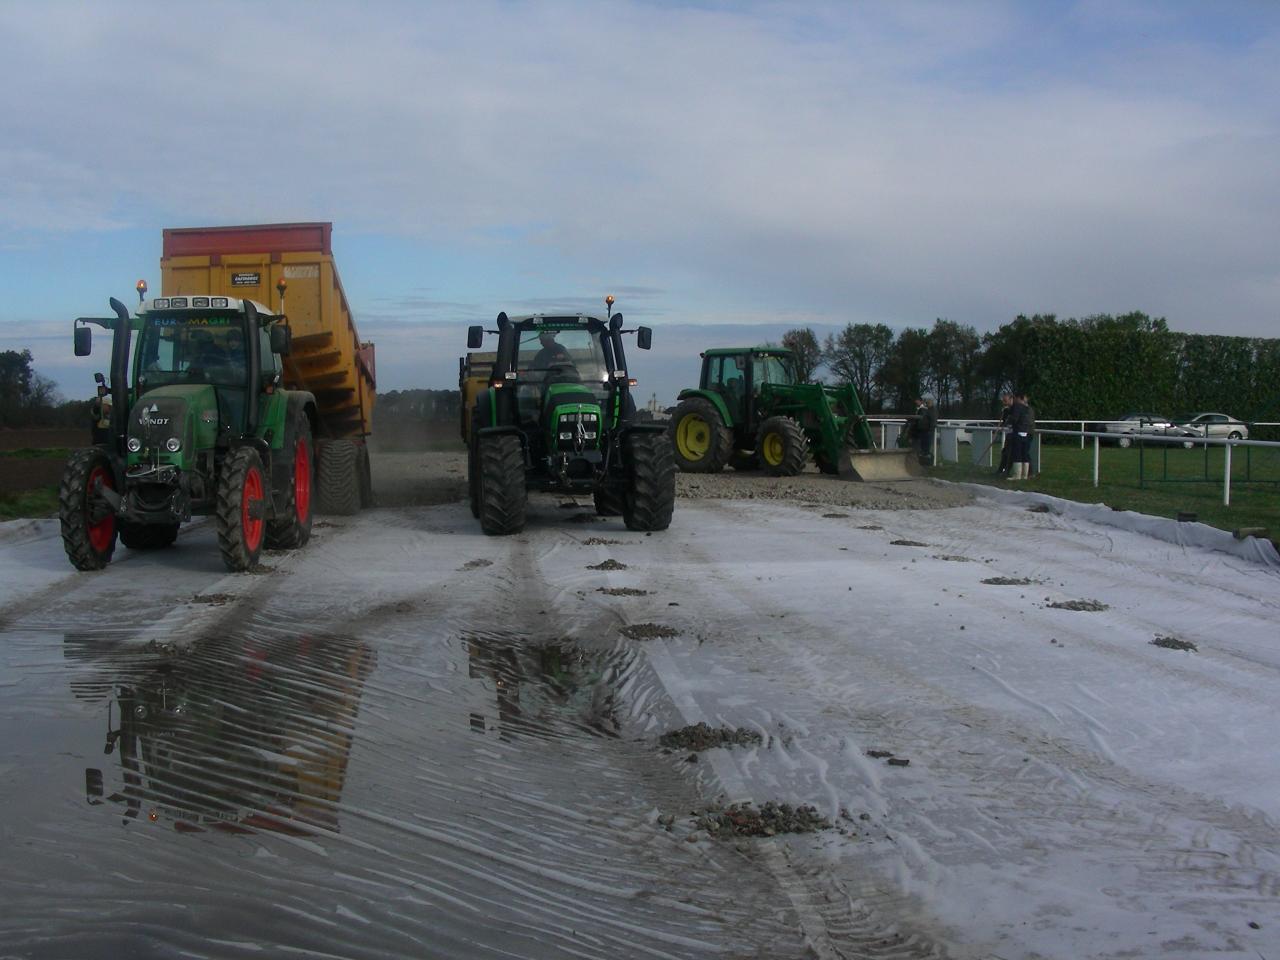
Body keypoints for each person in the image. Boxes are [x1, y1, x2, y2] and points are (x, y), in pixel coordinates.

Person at [1008, 392, 1034, 480]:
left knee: (1017, 454)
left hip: (1018, 431)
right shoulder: (1027, 408)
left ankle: (1017, 475)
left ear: (1019, 398)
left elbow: (1014, 419)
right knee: (1024, 454)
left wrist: (1009, 420)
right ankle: (1024, 475)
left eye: (1015, 398)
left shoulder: (1017, 407)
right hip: (1026, 432)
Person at [909, 397, 936, 465]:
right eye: (926, 403)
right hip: (922, 430)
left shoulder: (927, 410)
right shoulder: (926, 410)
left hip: (926, 430)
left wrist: (930, 429)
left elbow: (932, 420)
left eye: (928, 403)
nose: (927, 404)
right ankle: (920, 461)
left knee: (925, 447)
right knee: (923, 446)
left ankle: (924, 462)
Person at [996, 392, 1014, 475]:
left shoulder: (1015, 409)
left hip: (1015, 434)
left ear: (1011, 399)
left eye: (1005, 401)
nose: (1004, 403)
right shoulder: (1006, 410)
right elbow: (1004, 422)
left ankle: (1006, 471)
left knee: (1009, 453)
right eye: (1003, 401)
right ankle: (1001, 470)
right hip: (1009, 434)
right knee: (1005, 452)